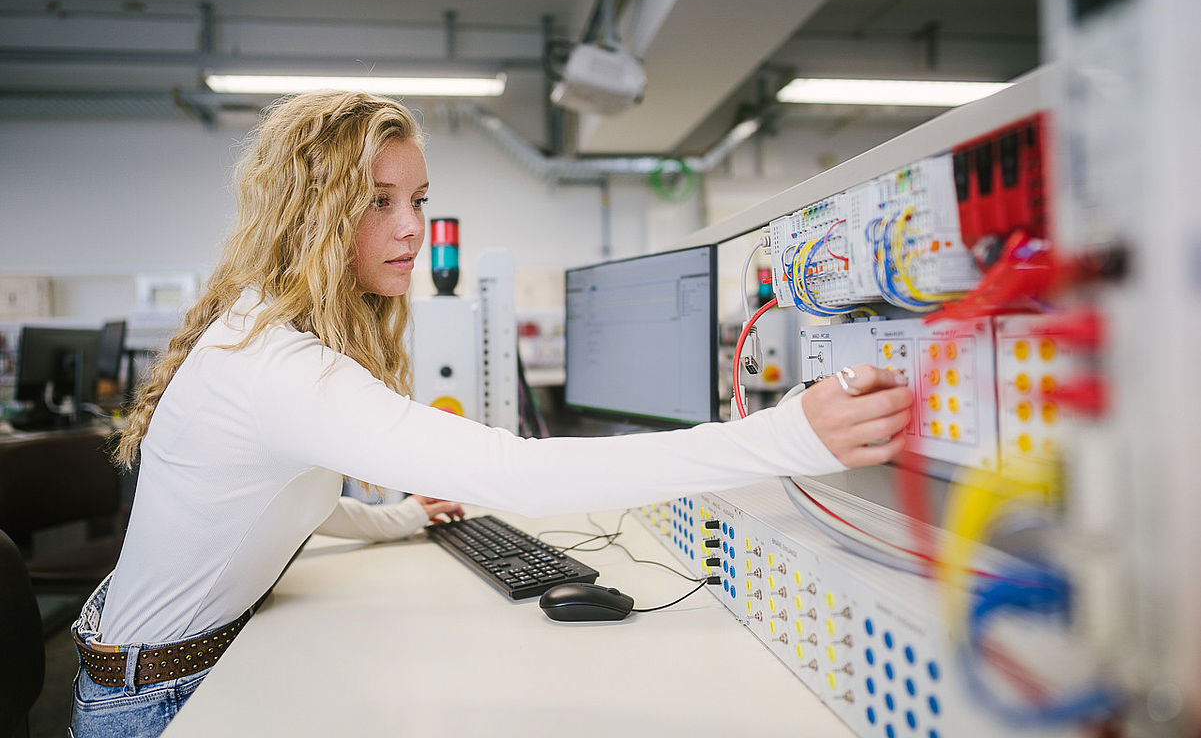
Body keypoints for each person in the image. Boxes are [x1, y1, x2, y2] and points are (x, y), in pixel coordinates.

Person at [69, 91, 913, 737]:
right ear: (313, 212)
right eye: (378, 202)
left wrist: (401, 517)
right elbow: (518, 473)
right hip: (154, 700)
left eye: (417, 198)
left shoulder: (266, 327)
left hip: (163, 665)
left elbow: (290, 498)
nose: (411, 227)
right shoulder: (273, 364)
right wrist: (785, 435)